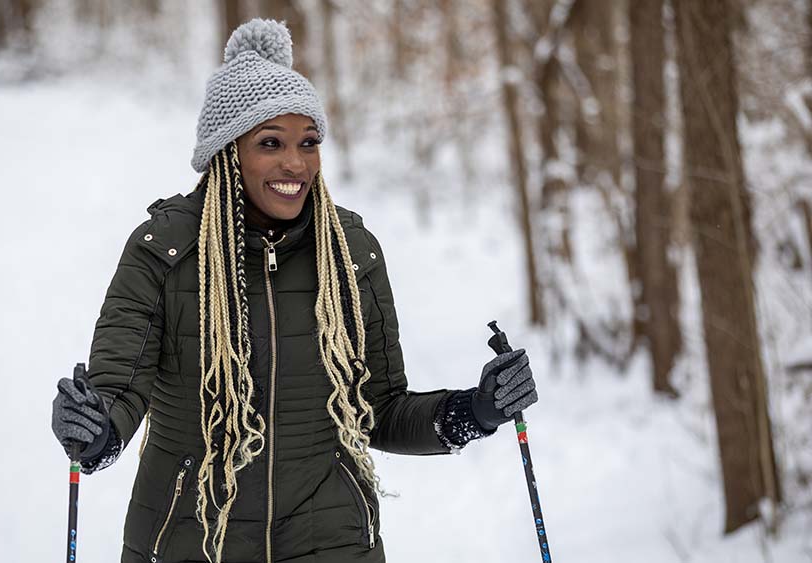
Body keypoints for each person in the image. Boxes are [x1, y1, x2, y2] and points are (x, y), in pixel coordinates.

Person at [51, 18, 538, 563]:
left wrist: (477, 410)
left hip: (329, 542)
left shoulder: (350, 254)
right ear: (227, 153)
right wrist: (92, 431)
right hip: (191, 540)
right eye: (271, 143)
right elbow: (118, 396)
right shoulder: (163, 252)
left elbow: (378, 408)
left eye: (309, 142)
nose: (296, 163)